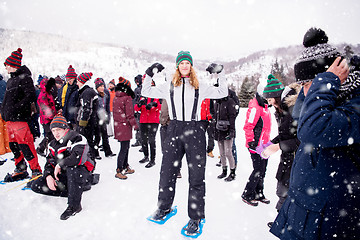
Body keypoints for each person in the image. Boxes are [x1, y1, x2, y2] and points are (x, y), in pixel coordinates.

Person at [270, 28, 360, 239]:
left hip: (328, 222)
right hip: (305, 214)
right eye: (303, 85)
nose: (306, 91)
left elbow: (313, 129)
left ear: (336, 79)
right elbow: (301, 119)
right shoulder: (324, 103)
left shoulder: (353, 107)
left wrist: (324, 82)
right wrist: (314, 87)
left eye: (310, 83)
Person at [143, 51, 228, 235]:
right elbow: (146, 90)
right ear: (177, 66)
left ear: (191, 66)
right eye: (181, 63)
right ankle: (164, 207)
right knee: (167, 171)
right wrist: (149, 74)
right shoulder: (168, 86)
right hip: (173, 129)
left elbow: (222, 91)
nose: (184, 66)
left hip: (195, 131)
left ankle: (195, 217)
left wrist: (219, 74)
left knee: (196, 176)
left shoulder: (200, 86)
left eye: (187, 63)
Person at [30, 115, 95, 220]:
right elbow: (49, 163)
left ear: (66, 129)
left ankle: (74, 206)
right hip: (65, 176)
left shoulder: (77, 138)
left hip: (81, 173)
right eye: (53, 130)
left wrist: (60, 164)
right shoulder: (52, 144)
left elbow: (78, 158)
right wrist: (48, 176)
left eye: (59, 130)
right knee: (36, 185)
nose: (56, 133)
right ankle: (72, 191)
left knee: (73, 167)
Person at [257, 75, 300, 226]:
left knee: (288, 190)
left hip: (298, 157)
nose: (270, 104)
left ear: (276, 96)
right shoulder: (282, 109)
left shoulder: (294, 108)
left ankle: (285, 223)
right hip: (288, 156)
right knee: (282, 187)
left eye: (270, 100)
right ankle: (282, 220)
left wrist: (278, 146)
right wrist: (270, 143)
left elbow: (301, 139)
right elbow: (285, 134)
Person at [1, 48, 42, 181]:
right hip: (10, 120)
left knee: (26, 146)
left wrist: (15, 110)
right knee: (13, 146)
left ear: (12, 65)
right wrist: (4, 111)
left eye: (6, 64)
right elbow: (7, 100)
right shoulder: (10, 80)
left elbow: (30, 97)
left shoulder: (25, 78)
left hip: (20, 119)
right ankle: (21, 167)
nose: (5, 67)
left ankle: (36, 171)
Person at [242, 85, 271, 206]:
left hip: (264, 144)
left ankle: (259, 193)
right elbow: (248, 125)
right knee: (258, 169)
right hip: (255, 144)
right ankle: (247, 194)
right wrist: (251, 141)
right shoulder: (256, 107)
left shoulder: (264, 106)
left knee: (263, 169)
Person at [113, 77, 138, 179]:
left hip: (118, 126)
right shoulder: (127, 98)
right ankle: (119, 169)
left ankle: (125, 166)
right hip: (125, 126)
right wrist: (135, 125)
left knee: (125, 147)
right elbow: (129, 115)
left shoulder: (116, 97)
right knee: (124, 148)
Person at [75, 72, 100, 161]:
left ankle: (89, 160)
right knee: (88, 141)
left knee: (87, 142)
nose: (77, 83)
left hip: (87, 123)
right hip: (90, 122)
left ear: (83, 81)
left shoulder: (87, 92)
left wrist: (82, 124)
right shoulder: (87, 91)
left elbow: (87, 109)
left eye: (78, 81)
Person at [214, 91, 237, 181]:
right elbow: (215, 117)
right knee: (222, 153)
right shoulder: (217, 102)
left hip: (227, 130)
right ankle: (224, 170)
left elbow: (232, 117)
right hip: (219, 131)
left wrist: (231, 131)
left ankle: (232, 172)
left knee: (228, 153)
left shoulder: (230, 101)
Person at [134, 93, 161, 168]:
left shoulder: (157, 97)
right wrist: (139, 104)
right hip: (143, 121)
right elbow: (136, 108)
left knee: (152, 140)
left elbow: (161, 107)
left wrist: (155, 105)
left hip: (153, 122)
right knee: (144, 139)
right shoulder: (142, 97)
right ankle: (146, 156)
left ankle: (152, 160)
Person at [36, 77, 58, 157]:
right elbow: (45, 108)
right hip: (47, 119)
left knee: (50, 135)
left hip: (48, 118)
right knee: (50, 135)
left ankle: (44, 148)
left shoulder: (47, 93)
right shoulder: (44, 95)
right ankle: (41, 148)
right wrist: (52, 117)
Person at [94, 78, 115, 158]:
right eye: (100, 86)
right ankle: (95, 153)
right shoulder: (95, 96)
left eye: (103, 86)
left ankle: (108, 152)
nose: (102, 87)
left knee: (105, 135)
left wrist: (108, 116)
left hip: (103, 117)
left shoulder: (105, 95)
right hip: (97, 118)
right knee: (97, 136)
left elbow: (107, 107)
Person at [58, 65, 79, 129]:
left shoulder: (77, 87)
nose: (69, 81)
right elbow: (64, 100)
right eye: (67, 79)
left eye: (70, 79)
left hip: (74, 117)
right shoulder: (66, 87)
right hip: (67, 115)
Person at [0, 74, 11, 156]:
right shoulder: (4, 83)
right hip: (5, 109)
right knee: (5, 129)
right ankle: (8, 148)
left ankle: (1, 150)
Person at [131, 74, 143, 147]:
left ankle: (142, 142)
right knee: (138, 126)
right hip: (136, 110)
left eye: (138, 81)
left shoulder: (142, 89)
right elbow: (134, 100)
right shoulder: (136, 89)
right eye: (136, 81)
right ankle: (138, 140)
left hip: (141, 110)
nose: (137, 82)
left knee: (141, 127)